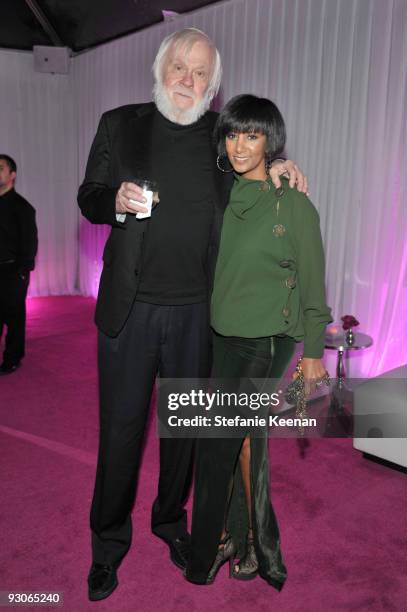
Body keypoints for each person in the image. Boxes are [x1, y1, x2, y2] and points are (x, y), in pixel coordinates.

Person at [77, 28, 307, 602]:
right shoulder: (118, 123)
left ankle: (169, 523)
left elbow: (255, 163)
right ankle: (107, 545)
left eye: (201, 73)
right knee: (122, 433)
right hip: (129, 312)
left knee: (182, 434)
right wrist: (114, 202)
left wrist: (280, 166)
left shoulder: (219, 137)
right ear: (160, 69)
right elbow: (88, 194)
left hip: (200, 316)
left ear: (213, 85)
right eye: (180, 67)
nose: (188, 80)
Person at [185, 94, 332, 588]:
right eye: (232, 133)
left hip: (267, 342)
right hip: (223, 336)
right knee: (232, 441)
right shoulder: (224, 194)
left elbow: (313, 283)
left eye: (252, 134)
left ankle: (250, 542)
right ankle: (235, 534)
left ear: (271, 140)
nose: (240, 145)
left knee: (236, 442)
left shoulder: (292, 204)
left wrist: (313, 353)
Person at [0, 155, 38, 375]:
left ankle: (13, 358)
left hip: (12, 271)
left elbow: (30, 243)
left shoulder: (23, 208)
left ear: (12, 175)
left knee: (14, 317)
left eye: (1, 167)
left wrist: (22, 272)